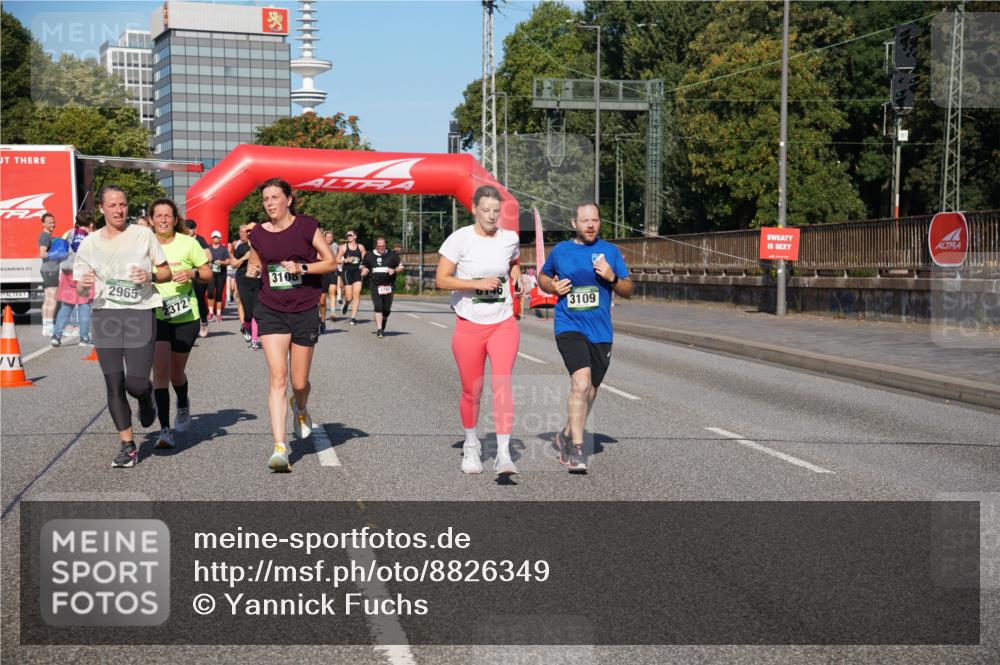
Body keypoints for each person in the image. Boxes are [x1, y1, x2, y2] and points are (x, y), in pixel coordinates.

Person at [74, 185, 172, 468]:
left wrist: (150, 275)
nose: (119, 210)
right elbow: (80, 289)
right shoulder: (90, 242)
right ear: (102, 209)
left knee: (136, 383)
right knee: (114, 383)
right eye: (113, 205)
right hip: (106, 315)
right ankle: (128, 445)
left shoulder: (143, 235)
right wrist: (83, 285)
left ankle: (146, 398)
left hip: (140, 312)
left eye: (123, 204)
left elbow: (165, 272)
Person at [245, 179, 336, 472]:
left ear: (289, 199)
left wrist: (302, 268)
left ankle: (301, 408)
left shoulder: (307, 226)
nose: (269, 203)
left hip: (304, 309)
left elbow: (330, 262)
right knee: (278, 378)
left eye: (274, 197)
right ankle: (280, 449)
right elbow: (257, 261)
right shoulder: (257, 233)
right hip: (271, 309)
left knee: (298, 383)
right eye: (265, 199)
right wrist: (251, 269)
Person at [538, 201, 633, 473]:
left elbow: (628, 289)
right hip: (569, 325)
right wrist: (552, 286)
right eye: (585, 221)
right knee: (580, 383)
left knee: (591, 389)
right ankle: (577, 449)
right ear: (574, 224)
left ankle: (566, 433)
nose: (591, 225)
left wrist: (612, 277)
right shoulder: (562, 251)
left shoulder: (609, 252)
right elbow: (544, 276)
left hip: (601, 331)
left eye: (595, 220)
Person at [436, 185, 522, 477]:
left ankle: (503, 453)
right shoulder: (459, 239)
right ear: (474, 209)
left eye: (496, 211)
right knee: (472, 391)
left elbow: (512, 262)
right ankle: (471, 446)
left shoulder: (509, 239)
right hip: (470, 324)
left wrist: (517, 275)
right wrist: (476, 284)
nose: (491, 216)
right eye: (485, 210)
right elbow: (442, 280)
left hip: (503, 323)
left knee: (503, 385)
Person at [149, 198, 213, 449]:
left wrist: (193, 273)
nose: (163, 219)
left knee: (176, 373)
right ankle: (165, 430)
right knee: (160, 373)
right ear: (152, 220)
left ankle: (183, 401)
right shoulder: (146, 244)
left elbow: (207, 274)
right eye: (158, 216)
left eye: (168, 215)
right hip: (155, 314)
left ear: (175, 219)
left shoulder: (188, 244)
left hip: (186, 316)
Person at [50, 214, 95, 347]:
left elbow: (61, 249)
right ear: (91, 224)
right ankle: (84, 338)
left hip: (67, 271)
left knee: (66, 306)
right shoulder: (91, 237)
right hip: (83, 272)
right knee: (84, 305)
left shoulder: (68, 233)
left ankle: (56, 336)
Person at [361, 236, 403, 338]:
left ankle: (383, 321)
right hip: (375, 284)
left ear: (385, 245)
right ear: (376, 246)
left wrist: (394, 270)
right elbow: (362, 265)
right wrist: (364, 270)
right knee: (378, 306)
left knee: (386, 310)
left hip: (389, 285)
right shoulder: (369, 255)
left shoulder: (392, 255)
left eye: (383, 246)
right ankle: (379, 329)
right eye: (379, 246)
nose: (381, 248)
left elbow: (401, 266)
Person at [232, 222, 261, 349]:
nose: (249, 233)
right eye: (247, 231)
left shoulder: (263, 246)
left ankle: (254, 340)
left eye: (252, 230)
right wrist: (245, 257)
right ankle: (246, 326)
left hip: (258, 280)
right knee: (247, 310)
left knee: (256, 310)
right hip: (243, 280)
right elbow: (234, 264)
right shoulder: (241, 247)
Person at [185, 219, 211, 337]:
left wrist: (198, 260)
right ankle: (189, 325)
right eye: (186, 227)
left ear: (195, 228)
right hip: (185, 273)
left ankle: (204, 322)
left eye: (190, 227)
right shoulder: (181, 240)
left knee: (199, 298)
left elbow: (209, 257)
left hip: (198, 274)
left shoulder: (200, 240)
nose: (188, 230)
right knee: (187, 299)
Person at [38, 212, 61, 336]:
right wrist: (58, 254)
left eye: (53, 222)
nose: (53, 224)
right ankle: (49, 326)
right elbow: (42, 253)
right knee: (52, 299)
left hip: (47, 269)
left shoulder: (46, 236)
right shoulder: (45, 236)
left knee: (47, 299)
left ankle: (46, 327)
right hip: (50, 270)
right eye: (50, 223)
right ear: (43, 224)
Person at [337, 230, 365, 325]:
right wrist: (345, 260)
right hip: (347, 271)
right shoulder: (343, 247)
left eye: (350, 235)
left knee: (356, 294)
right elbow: (337, 260)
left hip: (357, 271)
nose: (348, 237)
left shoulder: (360, 247)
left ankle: (353, 317)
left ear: (355, 236)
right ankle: (346, 303)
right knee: (349, 297)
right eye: (347, 235)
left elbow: (365, 260)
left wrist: (364, 267)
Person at [205, 230, 231, 321]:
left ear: (220, 239)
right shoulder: (208, 248)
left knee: (219, 294)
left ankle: (219, 314)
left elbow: (229, 261)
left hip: (221, 274)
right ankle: (211, 312)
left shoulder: (223, 249)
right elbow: (203, 260)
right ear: (212, 238)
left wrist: (221, 262)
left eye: (217, 237)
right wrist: (208, 264)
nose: (215, 238)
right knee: (210, 293)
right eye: (214, 237)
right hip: (211, 274)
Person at [318, 229, 338, 332]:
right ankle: (312, 321)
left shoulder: (328, 248)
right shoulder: (311, 245)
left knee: (322, 301)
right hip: (312, 273)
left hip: (324, 274)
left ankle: (322, 321)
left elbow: (334, 260)